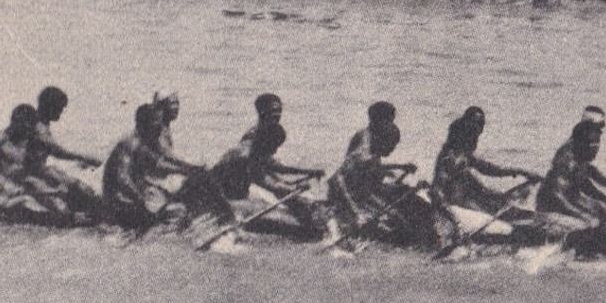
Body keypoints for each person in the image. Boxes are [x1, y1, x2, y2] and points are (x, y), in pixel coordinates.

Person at [209, 93, 328, 237]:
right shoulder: (251, 141)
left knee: (283, 193)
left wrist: (309, 172)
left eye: (279, 111)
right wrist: (292, 187)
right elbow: (263, 177)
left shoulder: (267, 134)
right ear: (262, 112)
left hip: (239, 186)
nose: (278, 115)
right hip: (224, 191)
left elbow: (273, 166)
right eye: (273, 111)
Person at [102, 103, 233, 231]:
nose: (160, 126)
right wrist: (142, 202)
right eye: (155, 122)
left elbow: (160, 164)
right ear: (142, 125)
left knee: (200, 180)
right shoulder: (131, 143)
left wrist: (191, 170)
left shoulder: (147, 140)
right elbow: (122, 178)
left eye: (159, 121)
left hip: (137, 196)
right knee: (175, 211)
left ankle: (226, 218)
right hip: (121, 202)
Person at [327, 102, 427, 243]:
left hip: (366, 191)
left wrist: (399, 166)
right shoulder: (364, 149)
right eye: (391, 146)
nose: (392, 151)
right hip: (353, 198)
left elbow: (369, 168)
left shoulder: (372, 138)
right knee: (400, 223)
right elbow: (336, 178)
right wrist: (357, 214)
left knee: (407, 193)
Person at [535, 107, 606, 231]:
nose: (596, 148)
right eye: (593, 143)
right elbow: (557, 196)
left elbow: (599, 182)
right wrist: (583, 215)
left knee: (605, 210)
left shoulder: (581, 157)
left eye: (597, 143)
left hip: (571, 199)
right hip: (553, 207)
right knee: (593, 220)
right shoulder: (567, 160)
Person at [431, 106, 541, 218]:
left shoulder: (464, 154)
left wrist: (522, 172)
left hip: (471, 198)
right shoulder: (451, 156)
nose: (479, 130)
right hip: (460, 203)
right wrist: (447, 211)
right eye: (476, 125)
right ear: (465, 126)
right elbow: (438, 188)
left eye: (481, 125)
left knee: (505, 203)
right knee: (504, 208)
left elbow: (490, 169)